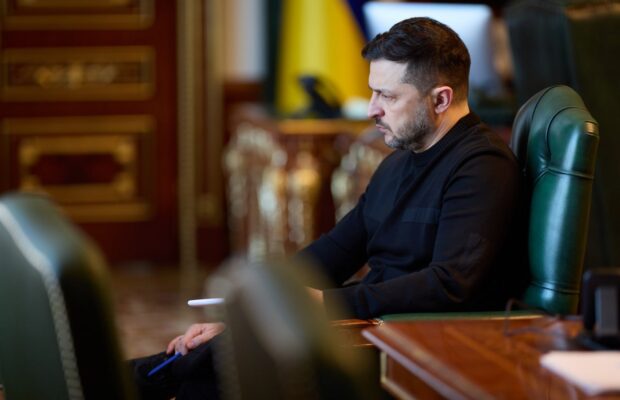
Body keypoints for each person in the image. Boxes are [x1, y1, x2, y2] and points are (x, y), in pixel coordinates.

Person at [131, 17, 527, 399]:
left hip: (418, 345)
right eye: (373, 92)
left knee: (216, 371)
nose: (372, 109)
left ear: (440, 99)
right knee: (214, 358)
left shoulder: (482, 166)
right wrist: (256, 313)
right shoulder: (398, 161)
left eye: (388, 96)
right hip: (369, 324)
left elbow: (448, 285)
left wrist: (325, 304)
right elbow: (335, 250)